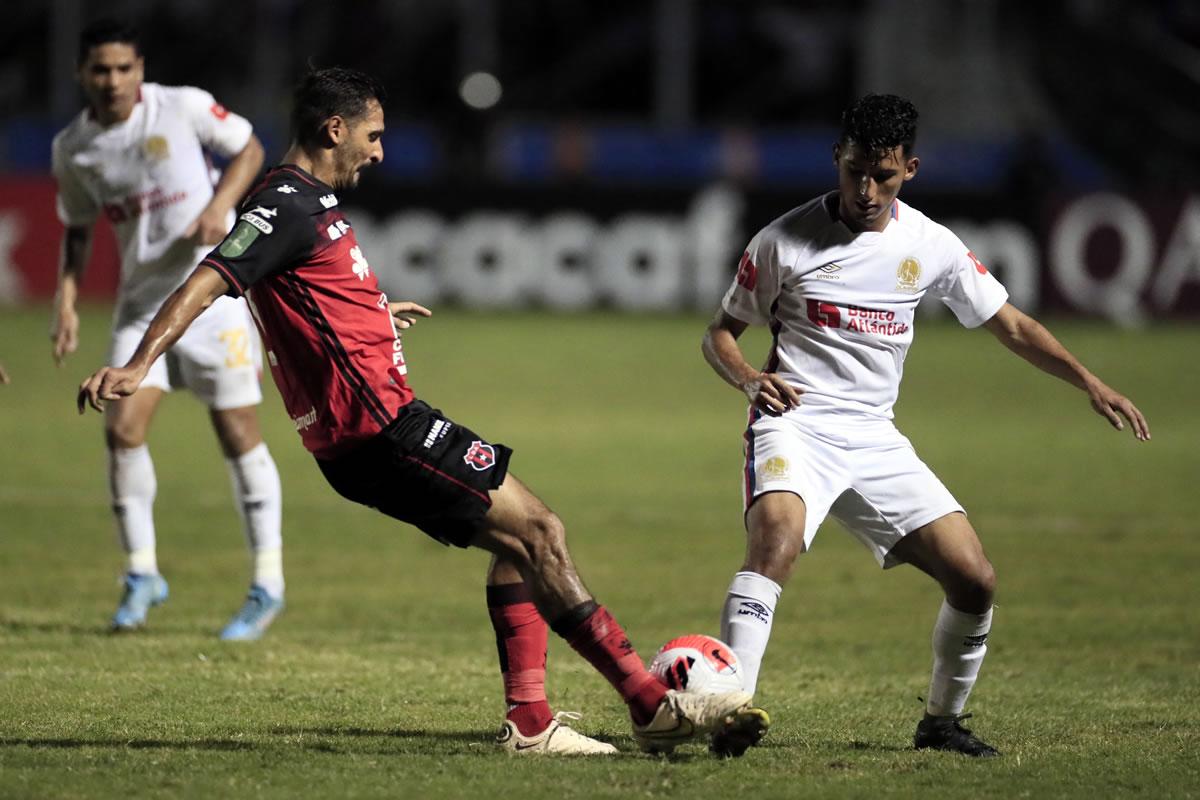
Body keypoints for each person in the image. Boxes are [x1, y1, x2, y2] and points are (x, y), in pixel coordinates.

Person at [77, 65, 762, 756]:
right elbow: (209, 279)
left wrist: (374, 316)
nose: (379, 152)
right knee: (542, 533)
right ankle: (648, 707)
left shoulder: (309, 203)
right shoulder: (283, 202)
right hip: (380, 430)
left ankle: (531, 723)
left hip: (372, 429)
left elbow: (305, 296)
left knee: (519, 551)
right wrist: (139, 364)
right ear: (333, 129)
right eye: (372, 137)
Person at [702, 94, 1150, 758]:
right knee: (776, 541)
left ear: (909, 169)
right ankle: (730, 709)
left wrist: (1088, 380)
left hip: (876, 439)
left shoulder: (931, 245)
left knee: (976, 579)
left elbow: (1012, 324)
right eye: (854, 170)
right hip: (795, 425)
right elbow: (720, 335)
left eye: (882, 175)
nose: (865, 189)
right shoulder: (781, 241)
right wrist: (747, 378)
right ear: (837, 159)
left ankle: (941, 723)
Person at [51, 19, 286, 639]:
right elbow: (77, 229)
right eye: (100, 70)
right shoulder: (73, 149)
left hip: (215, 296)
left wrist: (219, 205)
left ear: (140, 69)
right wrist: (67, 300)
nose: (112, 81)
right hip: (142, 305)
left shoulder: (180, 108)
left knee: (237, 432)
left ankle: (267, 582)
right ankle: (142, 573)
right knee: (121, 427)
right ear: (82, 74)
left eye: (123, 68)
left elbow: (252, 149)